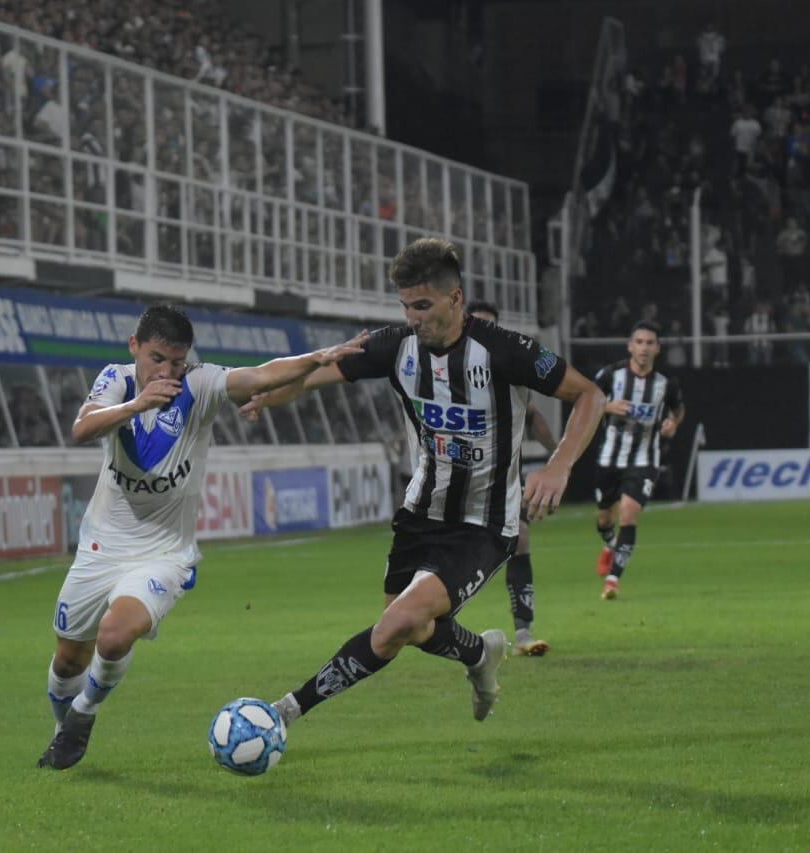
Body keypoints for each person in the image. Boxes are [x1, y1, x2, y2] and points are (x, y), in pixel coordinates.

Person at [238, 239, 604, 732]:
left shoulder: (503, 350)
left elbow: (590, 395)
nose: (412, 317)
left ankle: (283, 713)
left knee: (396, 625)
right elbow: (314, 375)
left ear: (455, 300)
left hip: (484, 522)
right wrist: (268, 394)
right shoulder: (395, 347)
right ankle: (479, 652)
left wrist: (558, 466)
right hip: (420, 514)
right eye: (405, 305)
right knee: (406, 627)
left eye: (423, 305)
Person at [37, 304, 364, 770]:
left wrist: (317, 357)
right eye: (157, 359)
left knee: (114, 636)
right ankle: (61, 731)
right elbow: (81, 428)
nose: (168, 371)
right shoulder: (117, 380)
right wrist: (136, 405)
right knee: (69, 659)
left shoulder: (201, 383)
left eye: (177, 361)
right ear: (134, 348)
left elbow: (261, 376)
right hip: (102, 546)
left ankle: (84, 715)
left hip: (163, 552)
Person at [467, 301, 560, 656]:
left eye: (489, 327)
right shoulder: (442, 371)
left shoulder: (509, 369)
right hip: (454, 481)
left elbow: (533, 415)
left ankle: (523, 633)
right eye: (476, 325)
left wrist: (556, 454)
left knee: (520, 539)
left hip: (504, 478)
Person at [592, 322, 684, 599]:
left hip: (645, 459)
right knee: (604, 518)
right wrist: (607, 406)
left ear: (657, 348)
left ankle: (612, 581)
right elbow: (584, 401)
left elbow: (678, 410)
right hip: (610, 457)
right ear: (630, 346)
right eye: (639, 342)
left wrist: (673, 424)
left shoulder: (665, 383)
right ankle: (610, 546)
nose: (644, 348)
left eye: (650, 343)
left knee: (628, 514)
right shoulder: (611, 375)